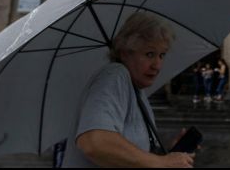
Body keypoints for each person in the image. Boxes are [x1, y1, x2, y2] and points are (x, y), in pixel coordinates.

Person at [63, 11, 194, 168]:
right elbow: (93, 141)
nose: (157, 65)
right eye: (149, 54)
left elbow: (136, 160)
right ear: (125, 53)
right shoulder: (115, 75)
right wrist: (161, 162)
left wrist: (169, 154)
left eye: (162, 55)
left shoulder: (137, 91)